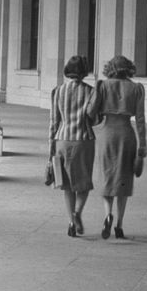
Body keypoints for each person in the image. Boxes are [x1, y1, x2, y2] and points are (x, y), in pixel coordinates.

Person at [87, 54, 147, 239]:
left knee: (106, 176)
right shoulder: (136, 88)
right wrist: (142, 145)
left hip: (107, 133)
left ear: (110, 68)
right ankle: (119, 225)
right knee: (124, 180)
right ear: (129, 68)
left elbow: (90, 112)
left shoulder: (102, 86)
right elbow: (140, 120)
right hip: (127, 135)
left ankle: (107, 215)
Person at [48, 55, 96, 237]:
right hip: (84, 140)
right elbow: (95, 119)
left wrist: (50, 150)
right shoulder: (91, 92)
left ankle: (70, 222)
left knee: (67, 185)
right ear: (85, 71)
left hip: (62, 139)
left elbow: (53, 122)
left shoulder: (57, 91)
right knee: (83, 183)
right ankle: (77, 213)